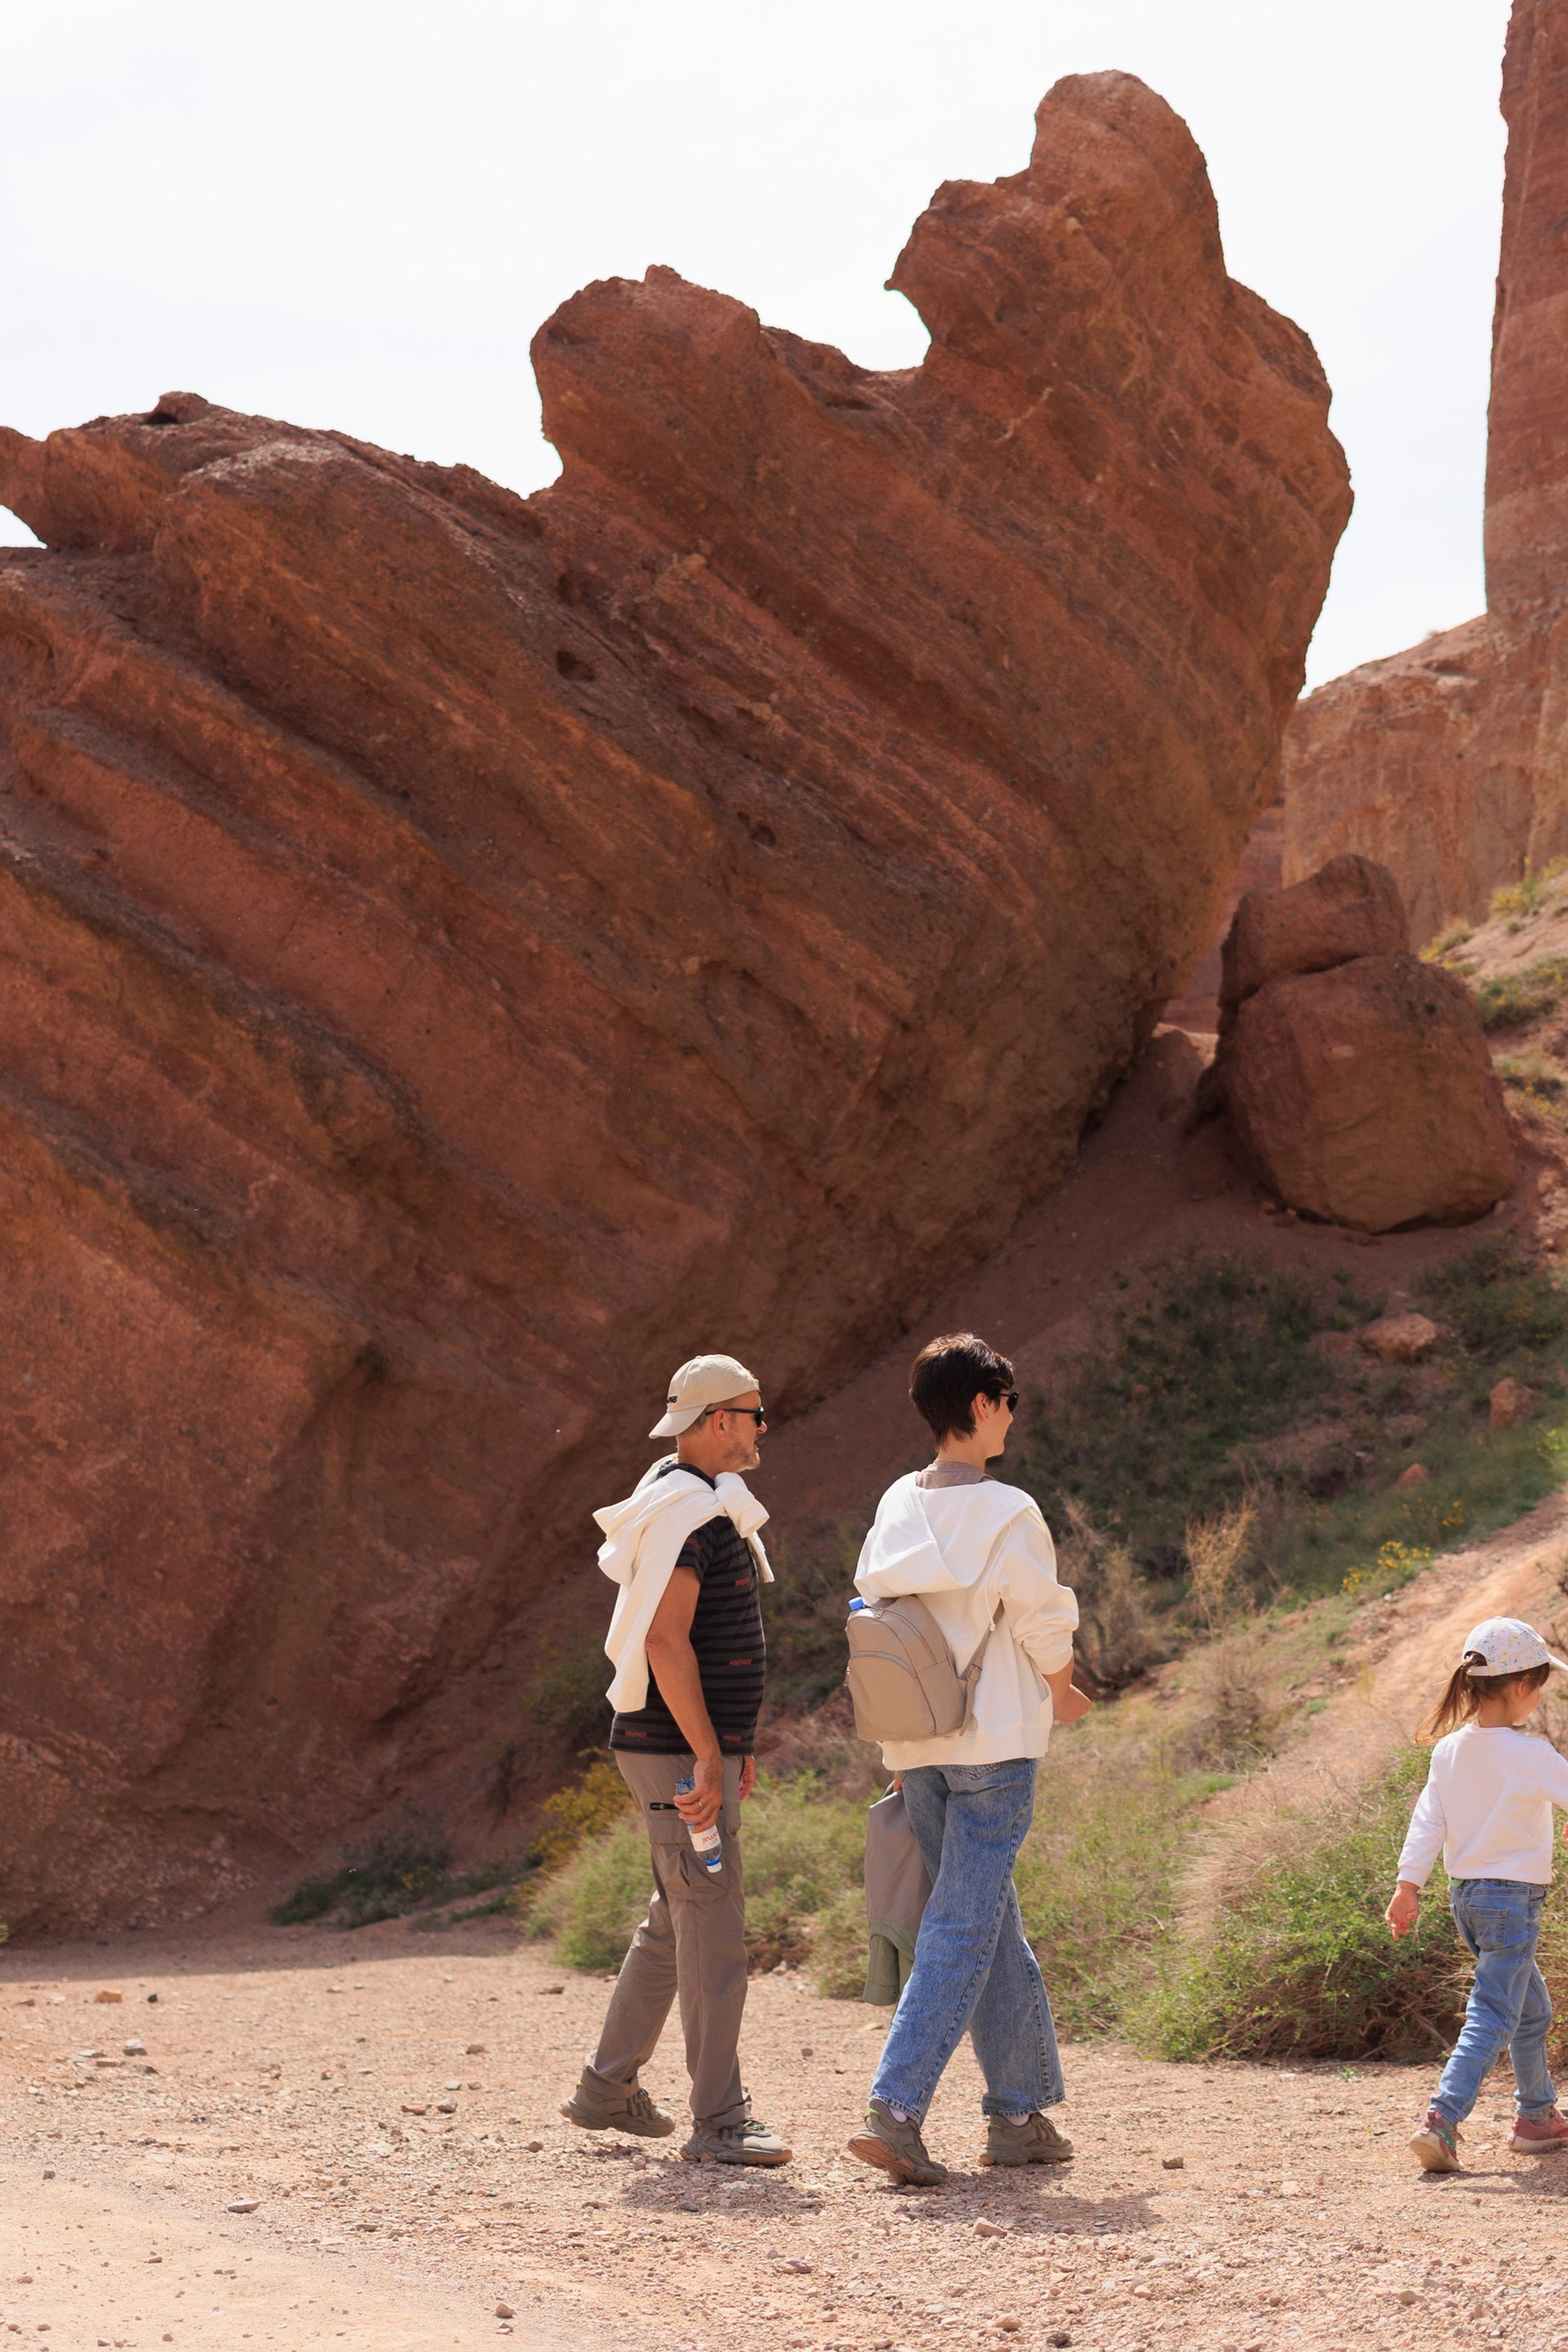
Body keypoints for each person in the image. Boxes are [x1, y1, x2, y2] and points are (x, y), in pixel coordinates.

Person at [847, 1332, 1090, 2187]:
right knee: (963, 1923)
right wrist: (1064, 1686)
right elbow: (1041, 1622)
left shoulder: (895, 1505)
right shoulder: (1009, 1511)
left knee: (989, 1923)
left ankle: (1019, 2114)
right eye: (1008, 1402)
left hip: (916, 1744)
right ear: (983, 1405)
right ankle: (897, 2108)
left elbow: (876, 1603)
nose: (1011, 1418)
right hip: (994, 1744)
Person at [560, 1353, 790, 2167]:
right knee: (712, 1919)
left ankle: (606, 2088)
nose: (765, 1427)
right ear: (718, 1419)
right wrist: (706, 1751)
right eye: (755, 1414)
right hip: (674, 1750)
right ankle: (721, 2119)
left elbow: (703, 1641)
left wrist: (736, 1744)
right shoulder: (690, 1510)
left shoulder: (689, 1499)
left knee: (679, 1913)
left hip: (683, 1747)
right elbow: (665, 1639)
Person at [1388, 1617, 1568, 2172]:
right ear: (1519, 1686)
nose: (1537, 1698)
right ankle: (1442, 2120)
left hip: (1466, 1899)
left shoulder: (1449, 1752)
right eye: (1539, 1686)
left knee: (1530, 2009)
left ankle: (1537, 2118)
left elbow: (1427, 1822)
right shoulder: (1531, 1754)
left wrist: (1406, 1886)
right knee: (1493, 2012)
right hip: (1513, 1902)